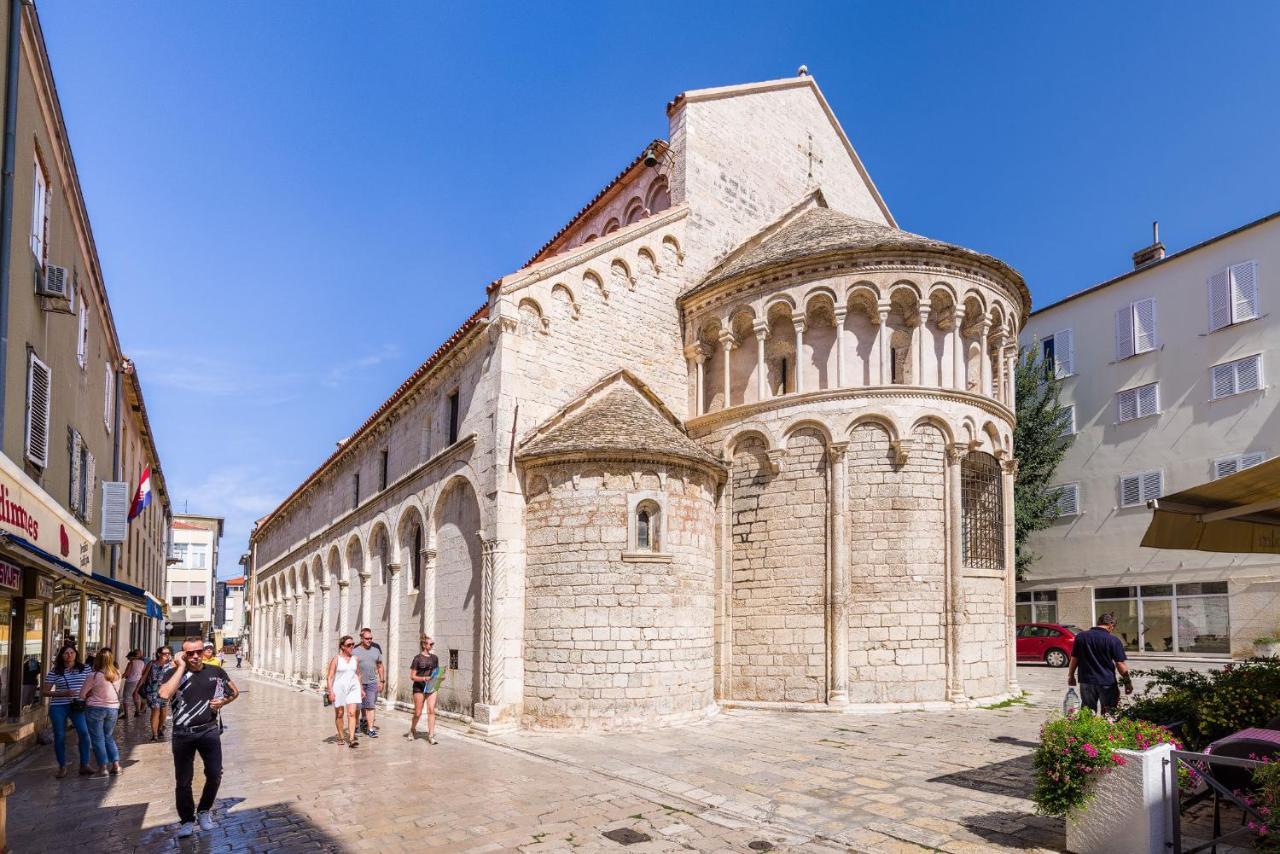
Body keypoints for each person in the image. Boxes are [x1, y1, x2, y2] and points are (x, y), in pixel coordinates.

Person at [159, 636, 238, 839]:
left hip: (208, 730)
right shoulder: (172, 673)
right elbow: (165, 694)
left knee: (214, 773)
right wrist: (179, 667)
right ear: (183, 654)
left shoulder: (215, 671)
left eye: (198, 652)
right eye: (190, 653)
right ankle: (186, 820)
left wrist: (223, 702)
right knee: (183, 780)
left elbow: (234, 692)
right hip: (182, 733)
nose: (195, 656)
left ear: (204, 651)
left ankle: (203, 810)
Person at [41, 644, 92, 779]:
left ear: (76, 654)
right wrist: (63, 693)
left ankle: (84, 764)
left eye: (71, 652)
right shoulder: (55, 671)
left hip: (78, 706)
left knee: (84, 733)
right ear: (61, 655)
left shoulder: (85, 668)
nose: (69, 655)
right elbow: (44, 692)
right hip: (59, 707)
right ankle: (62, 766)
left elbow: (93, 685)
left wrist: (88, 697)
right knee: (60, 736)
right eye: (66, 653)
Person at [1067, 612, 1133, 715]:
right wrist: (1127, 682)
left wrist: (1071, 676)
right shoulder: (1113, 640)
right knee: (1109, 713)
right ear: (1111, 625)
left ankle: (1087, 731)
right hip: (1107, 682)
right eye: (1113, 627)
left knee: (1087, 713)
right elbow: (1120, 664)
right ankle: (1107, 730)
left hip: (1086, 681)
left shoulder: (1081, 637)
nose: (1112, 630)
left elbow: (1074, 658)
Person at [81, 649, 123, 776]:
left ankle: (103, 767)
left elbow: (82, 694)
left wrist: (91, 695)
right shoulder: (117, 673)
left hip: (95, 708)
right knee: (108, 737)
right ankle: (116, 765)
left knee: (97, 738)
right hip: (113, 709)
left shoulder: (94, 676)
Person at [326, 635, 362, 748]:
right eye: (349, 645)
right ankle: (341, 736)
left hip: (353, 687)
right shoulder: (336, 659)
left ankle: (351, 739)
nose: (351, 646)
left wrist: (361, 688)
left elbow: (358, 674)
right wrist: (330, 691)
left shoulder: (355, 659)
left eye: (353, 644)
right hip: (339, 688)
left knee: (351, 713)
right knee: (340, 713)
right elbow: (330, 677)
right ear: (342, 646)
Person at [135, 647, 175, 740]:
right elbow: (143, 677)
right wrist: (136, 690)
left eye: (169, 653)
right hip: (152, 691)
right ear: (159, 654)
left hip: (165, 691)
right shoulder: (152, 664)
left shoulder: (171, 665)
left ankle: (160, 728)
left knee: (164, 712)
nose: (167, 655)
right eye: (165, 653)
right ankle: (155, 734)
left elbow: (174, 679)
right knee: (155, 710)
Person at [351, 628, 384, 738]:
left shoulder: (376, 650)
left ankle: (370, 729)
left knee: (370, 705)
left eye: (371, 638)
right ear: (361, 638)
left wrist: (382, 680)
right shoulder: (354, 651)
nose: (369, 640)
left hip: (372, 683)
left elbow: (380, 665)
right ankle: (356, 726)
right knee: (358, 707)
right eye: (367, 638)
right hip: (357, 683)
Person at [407, 635, 441, 744]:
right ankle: (412, 729)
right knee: (418, 713)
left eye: (432, 644)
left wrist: (440, 677)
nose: (431, 646)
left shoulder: (434, 658)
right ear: (424, 645)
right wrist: (423, 678)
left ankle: (431, 736)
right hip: (419, 687)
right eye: (430, 644)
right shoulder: (417, 658)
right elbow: (412, 676)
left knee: (431, 710)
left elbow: (436, 673)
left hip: (431, 686)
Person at [122, 650, 146, 720]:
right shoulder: (142, 662)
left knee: (126, 697)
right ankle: (137, 711)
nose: (127, 659)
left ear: (131, 657)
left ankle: (126, 715)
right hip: (138, 681)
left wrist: (119, 676)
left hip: (130, 681)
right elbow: (143, 672)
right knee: (136, 696)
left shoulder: (131, 663)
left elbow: (127, 673)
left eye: (128, 657)